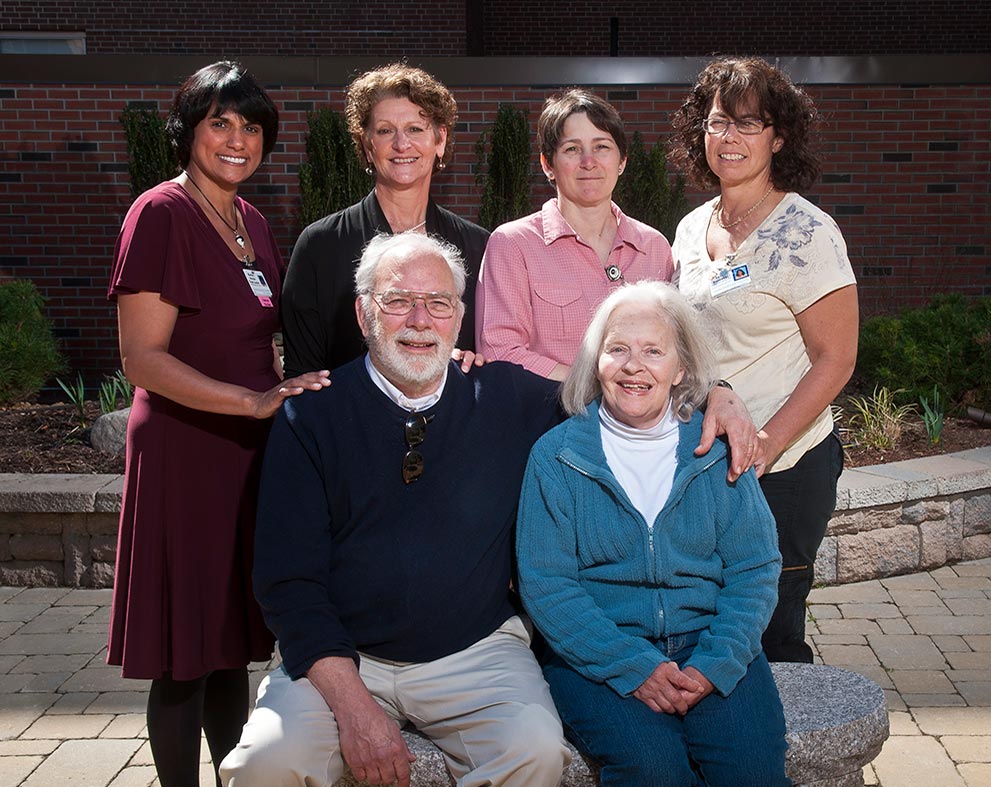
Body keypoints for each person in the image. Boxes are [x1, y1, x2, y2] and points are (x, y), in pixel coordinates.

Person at [220, 232, 569, 787]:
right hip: (342, 656)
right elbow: (288, 583)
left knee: (538, 751)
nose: (420, 320)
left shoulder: (508, 399)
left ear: (460, 317)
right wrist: (356, 708)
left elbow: (623, 387)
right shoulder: (311, 417)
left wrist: (714, 393)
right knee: (264, 764)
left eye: (438, 303)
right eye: (399, 300)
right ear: (364, 314)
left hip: (475, 651)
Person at [106, 61, 331, 787]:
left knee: (230, 639)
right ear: (189, 131)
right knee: (183, 653)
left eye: (251, 126)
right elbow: (142, 357)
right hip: (185, 450)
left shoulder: (251, 220)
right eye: (220, 123)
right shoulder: (160, 213)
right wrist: (249, 401)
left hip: (246, 453)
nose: (238, 139)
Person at [517, 281, 787, 787]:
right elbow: (547, 585)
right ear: (596, 363)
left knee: (753, 773)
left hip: (710, 642)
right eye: (617, 349)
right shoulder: (556, 457)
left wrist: (715, 662)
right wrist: (632, 666)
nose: (634, 366)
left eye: (653, 352)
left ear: (681, 369)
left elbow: (755, 567)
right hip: (598, 651)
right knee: (653, 770)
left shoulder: (714, 452)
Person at [670, 57, 859, 664]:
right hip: (707, 462)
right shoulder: (692, 227)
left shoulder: (808, 232)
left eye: (750, 124)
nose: (731, 138)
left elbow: (837, 359)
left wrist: (769, 444)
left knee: (771, 633)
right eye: (719, 122)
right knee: (709, 628)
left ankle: (784, 756)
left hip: (785, 467)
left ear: (779, 137)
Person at [281, 63, 489, 377]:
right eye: (385, 130)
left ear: (440, 139)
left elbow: (489, 356)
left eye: (415, 129)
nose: (401, 144)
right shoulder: (321, 245)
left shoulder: (477, 247)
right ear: (366, 145)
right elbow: (302, 376)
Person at [476, 88, 673, 381]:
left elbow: (673, 346)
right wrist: (592, 388)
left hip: (642, 423)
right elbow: (500, 350)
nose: (588, 161)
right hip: (549, 418)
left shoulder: (654, 246)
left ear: (622, 161)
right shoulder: (513, 245)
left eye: (602, 147)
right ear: (548, 165)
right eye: (572, 149)